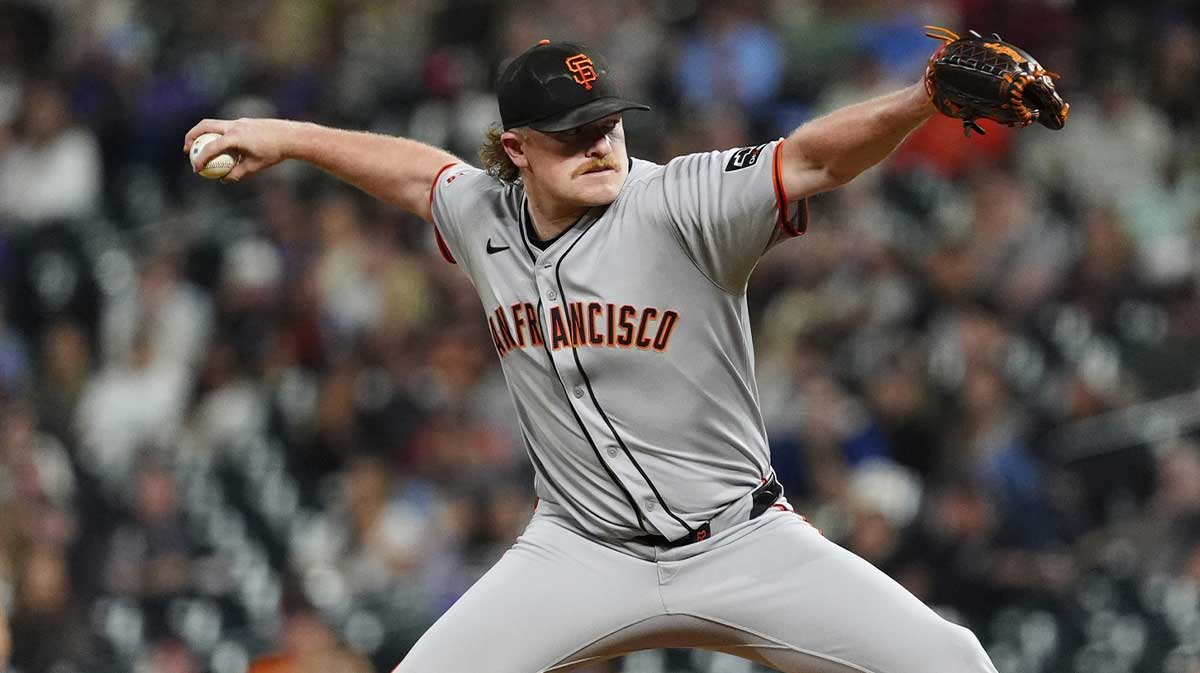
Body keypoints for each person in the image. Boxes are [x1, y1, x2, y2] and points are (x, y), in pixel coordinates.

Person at [187, 38, 998, 673]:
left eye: (606, 120)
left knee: (951, 660)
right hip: (580, 550)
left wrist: (922, 98)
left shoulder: (682, 202)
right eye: (572, 134)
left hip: (741, 541)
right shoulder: (484, 215)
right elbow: (416, 175)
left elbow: (814, 158)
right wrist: (288, 136)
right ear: (515, 150)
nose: (601, 143)